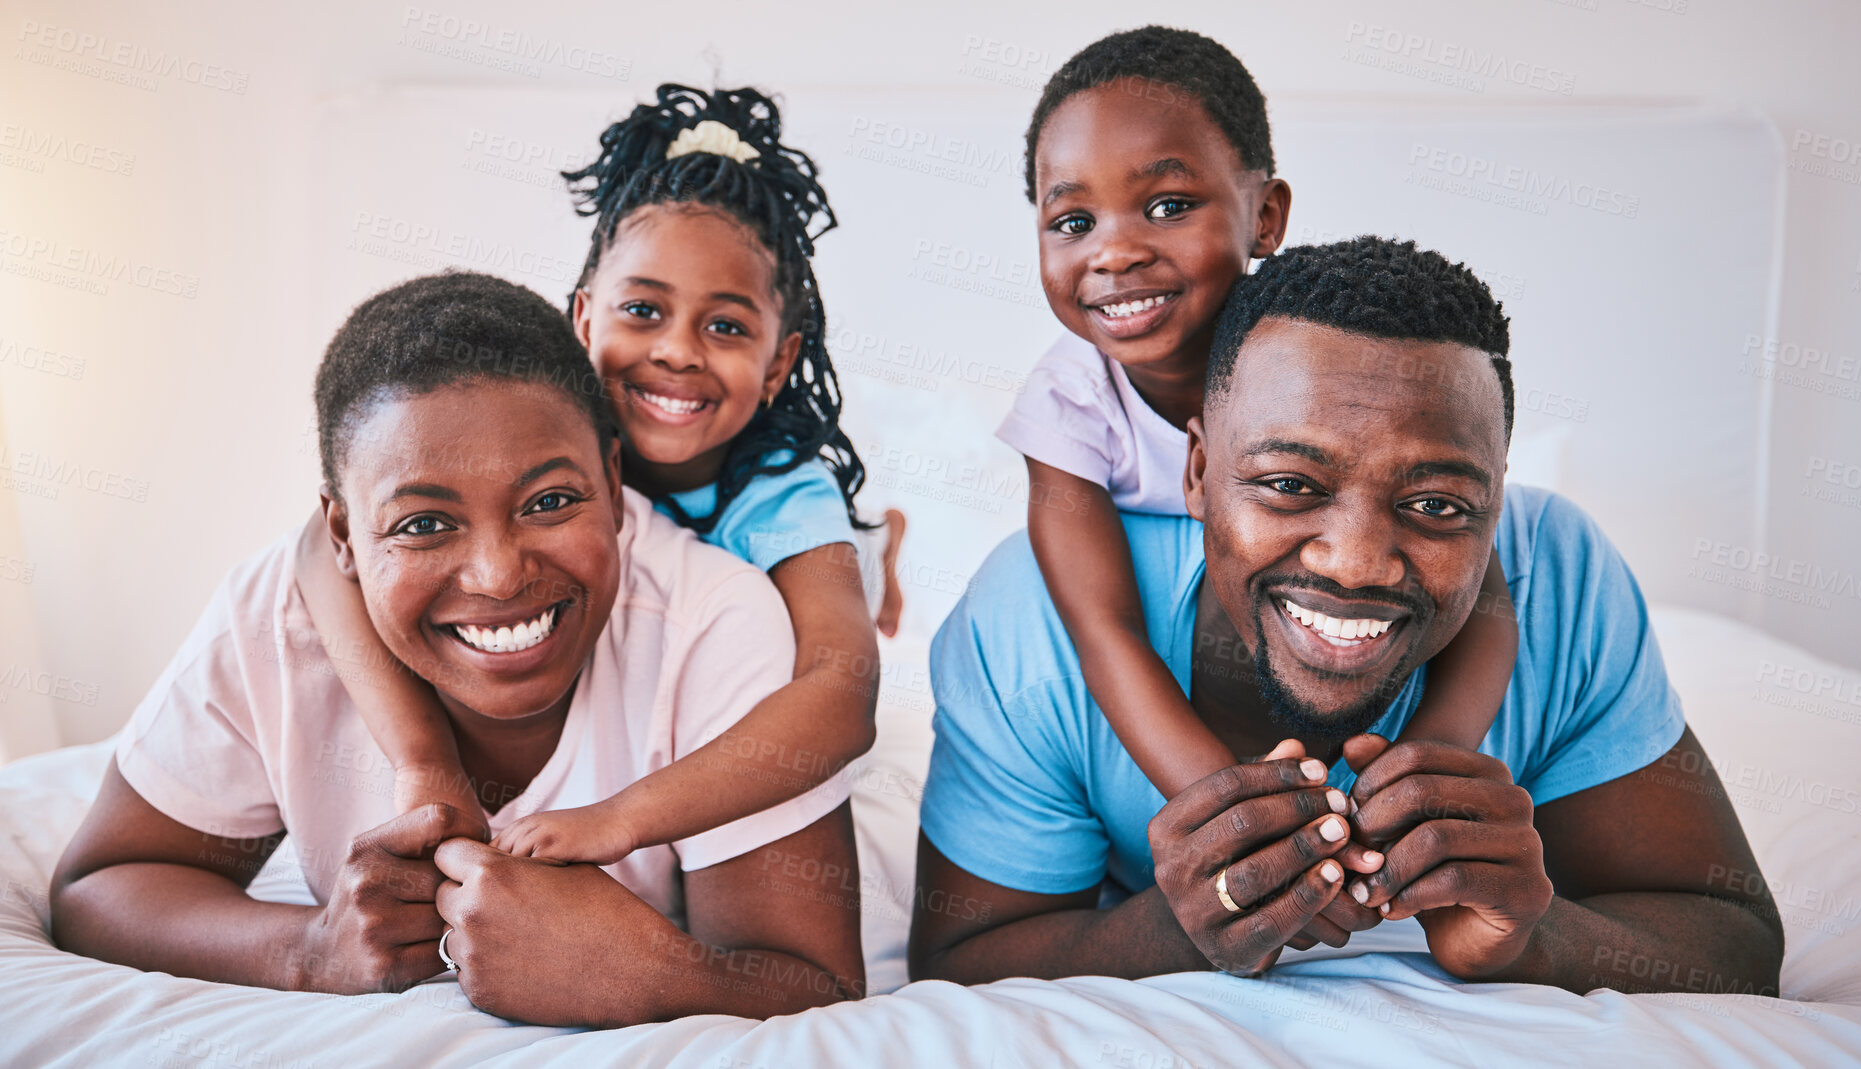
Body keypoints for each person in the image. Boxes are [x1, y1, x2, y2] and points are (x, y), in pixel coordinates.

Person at [911, 238, 1783, 995]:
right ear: (1196, 471)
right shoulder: (1032, 618)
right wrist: (1169, 932)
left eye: (1438, 504)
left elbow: (1732, 938)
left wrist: (1529, 940)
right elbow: (957, 959)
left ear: (1498, 503)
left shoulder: (1555, 571)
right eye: (1290, 485)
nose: (1356, 561)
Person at [51, 272, 865, 1025]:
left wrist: (648, 970)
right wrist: (309, 950)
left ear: (615, 487)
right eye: (423, 523)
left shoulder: (714, 622)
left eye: (549, 501)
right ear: (341, 533)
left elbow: (818, 985)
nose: (500, 575)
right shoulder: (278, 616)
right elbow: (97, 889)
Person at [291, 84, 903, 866]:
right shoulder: (545, 436)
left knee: (853, 591)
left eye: (724, 326)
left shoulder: (782, 491)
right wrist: (425, 762)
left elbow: (842, 700)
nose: (678, 351)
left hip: (788, 593)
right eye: (643, 311)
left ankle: (877, 552)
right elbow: (318, 547)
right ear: (585, 319)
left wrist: (624, 816)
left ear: (779, 361)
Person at [1003, 27, 1518, 803]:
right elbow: (1102, 629)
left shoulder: (1321, 351)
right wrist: (1238, 814)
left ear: (1265, 215)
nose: (1113, 252)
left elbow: (1486, 600)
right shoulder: (1067, 401)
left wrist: (1413, 775)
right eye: (1073, 222)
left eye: (1167, 206)